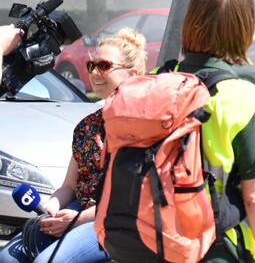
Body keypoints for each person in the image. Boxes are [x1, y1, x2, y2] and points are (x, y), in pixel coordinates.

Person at [0, 28, 148, 263]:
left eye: (105, 66)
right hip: (78, 211)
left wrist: (77, 218)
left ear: (133, 73)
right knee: (7, 257)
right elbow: (69, 186)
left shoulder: (145, 126)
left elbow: (132, 198)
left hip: (118, 221)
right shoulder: (86, 127)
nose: (95, 73)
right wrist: (50, 209)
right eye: (92, 66)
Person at [175, 0, 255, 263]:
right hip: (212, 249)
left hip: (148, 242)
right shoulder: (242, 98)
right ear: (242, 29)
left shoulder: (155, 82)